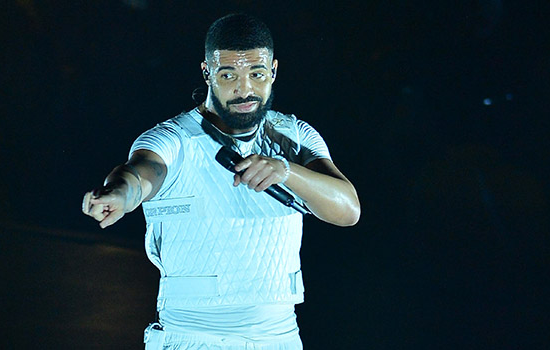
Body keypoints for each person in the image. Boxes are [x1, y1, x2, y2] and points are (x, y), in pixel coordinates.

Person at [82, 13, 360, 350]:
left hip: (278, 337)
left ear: (273, 70)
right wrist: (120, 195)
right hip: (191, 338)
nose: (244, 89)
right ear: (207, 72)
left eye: (256, 74)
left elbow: (348, 210)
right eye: (228, 75)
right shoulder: (174, 138)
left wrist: (287, 171)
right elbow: (140, 171)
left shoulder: (294, 137)